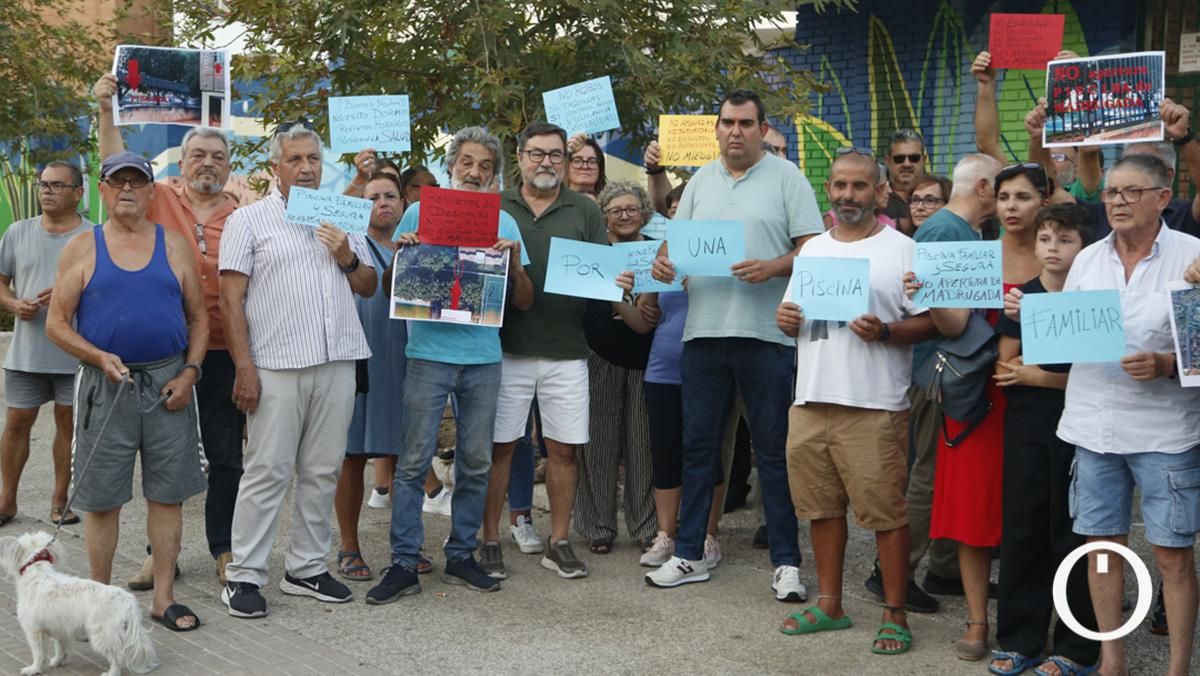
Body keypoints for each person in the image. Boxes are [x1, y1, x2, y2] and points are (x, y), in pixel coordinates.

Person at [1013, 153, 1200, 676]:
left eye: (1131, 192)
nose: (1117, 201)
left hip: (1166, 432)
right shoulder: (1088, 260)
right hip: (1093, 426)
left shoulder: (1194, 257)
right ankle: (1111, 662)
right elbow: (1062, 346)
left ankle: (1178, 669)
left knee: (1172, 556)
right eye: (1112, 192)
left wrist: (1166, 364)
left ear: (1163, 197)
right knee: (1100, 550)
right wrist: (1032, 319)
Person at [646, 89, 823, 601]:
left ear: (762, 128)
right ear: (717, 129)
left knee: (773, 452)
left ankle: (787, 563)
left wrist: (771, 267)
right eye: (727, 123)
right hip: (702, 334)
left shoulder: (787, 178)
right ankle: (690, 554)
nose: (736, 132)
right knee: (698, 449)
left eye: (746, 123)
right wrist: (662, 263)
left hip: (765, 336)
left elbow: (811, 244)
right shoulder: (701, 179)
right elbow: (673, 244)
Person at [776, 149, 937, 655]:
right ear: (829, 190)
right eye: (841, 186)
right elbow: (798, 318)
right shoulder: (811, 251)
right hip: (811, 399)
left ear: (881, 192)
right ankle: (830, 604)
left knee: (886, 513)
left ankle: (894, 611)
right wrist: (786, 321)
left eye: (860, 186)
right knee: (820, 508)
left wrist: (888, 330)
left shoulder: (904, 249)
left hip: (874, 404)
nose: (849, 195)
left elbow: (932, 319)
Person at [218, 120, 378, 618]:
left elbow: (369, 284)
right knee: (266, 470)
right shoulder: (248, 221)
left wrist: (347, 256)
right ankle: (243, 575)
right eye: (295, 159)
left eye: (312, 159)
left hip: (337, 361)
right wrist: (244, 367)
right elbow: (230, 300)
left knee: (323, 470)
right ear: (275, 168)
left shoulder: (343, 215)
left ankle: (306, 568)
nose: (306, 168)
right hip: (276, 366)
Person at [366, 126, 533, 603]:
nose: (475, 172)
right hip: (427, 356)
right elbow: (387, 291)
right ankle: (403, 563)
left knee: (476, 463)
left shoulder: (506, 222)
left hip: (483, 358)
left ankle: (462, 554)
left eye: (485, 166)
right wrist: (402, 259)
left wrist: (515, 264)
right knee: (413, 461)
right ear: (452, 165)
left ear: (494, 173)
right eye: (467, 163)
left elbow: (523, 300)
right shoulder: (419, 212)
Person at [45, 151, 208, 631]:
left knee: (168, 495)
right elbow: (56, 323)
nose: (129, 190)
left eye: (138, 182)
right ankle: (101, 602)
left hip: (168, 384)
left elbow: (198, 318)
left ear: (153, 191)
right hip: (104, 384)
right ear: (103, 190)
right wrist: (97, 357)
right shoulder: (82, 246)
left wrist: (191, 372)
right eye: (119, 183)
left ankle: (163, 598)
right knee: (101, 497)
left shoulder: (175, 245)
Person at [96, 73, 246, 589]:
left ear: (230, 167)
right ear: (183, 164)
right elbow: (113, 162)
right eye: (198, 154)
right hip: (165, 352)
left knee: (226, 455)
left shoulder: (244, 215)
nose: (207, 162)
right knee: (163, 456)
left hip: (225, 350)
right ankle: (159, 556)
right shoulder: (157, 197)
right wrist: (105, 107)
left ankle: (224, 549)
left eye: (217, 156)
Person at [916, 162, 1045, 660]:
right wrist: (928, 295)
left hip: (1042, 399)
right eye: (1005, 197)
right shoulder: (974, 256)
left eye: (1023, 197)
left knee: (1031, 516)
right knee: (972, 513)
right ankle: (976, 621)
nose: (1011, 207)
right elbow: (952, 327)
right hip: (977, 401)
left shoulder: (1064, 256)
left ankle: (1032, 618)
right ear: (992, 198)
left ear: (1043, 201)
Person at [480, 121, 618, 580]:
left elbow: (603, 275)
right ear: (518, 157)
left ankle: (558, 541)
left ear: (565, 159)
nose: (546, 163)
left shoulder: (584, 209)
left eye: (555, 154)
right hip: (505, 349)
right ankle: (489, 539)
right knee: (499, 449)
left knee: (563, 451)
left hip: (567, 350)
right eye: (536, 154)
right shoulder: (495, 206)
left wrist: (618, 278)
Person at [872, 153, 1002, 616]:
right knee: (926, 473)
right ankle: (893, 573)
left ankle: (944, 567)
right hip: (938, 371)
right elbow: (940, 315)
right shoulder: (946, 230)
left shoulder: (965, 231)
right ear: (983, 186)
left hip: (954, 367)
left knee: (941, 472)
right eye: (1000, 189)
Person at [989, 204, 1099, 676]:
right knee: (1022, 534)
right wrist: (1030, 374)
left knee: (1074, 538)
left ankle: (1078, 647)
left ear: (1085, 247)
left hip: (1083, 433)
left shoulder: (1096, 300)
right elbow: (1004, 367)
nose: (1053, 249)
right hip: (1027, 432)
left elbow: (1099, 378)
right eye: (1046, 239)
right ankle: (1020, 638)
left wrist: (1041, 376)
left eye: (1065, 240)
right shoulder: (1023, 298)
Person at [0, 161, 92, 528]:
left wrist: (75, 291)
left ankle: (60, 502)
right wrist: (12, 304)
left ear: (78, 193)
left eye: (57, 185)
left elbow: (111, 288)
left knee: (68, 425)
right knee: (17, 423)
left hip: (76, 353)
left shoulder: (93, 236)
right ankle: (6, 500)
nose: (47, 191)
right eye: (43, 184)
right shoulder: (17, 232)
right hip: (26, 352)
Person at [574, 181, 659, 554]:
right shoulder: (593, 254)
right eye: (616, 210)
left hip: (646, 358)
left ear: (644, 212)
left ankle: (645, 526)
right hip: (598, 353)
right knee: (597, 444)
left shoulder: (655, 253)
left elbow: (650, 313)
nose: (624, 216)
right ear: (604, 215)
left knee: (644, 446)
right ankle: (598, 526)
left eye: (631, 208)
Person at [332, 171, 409, 583]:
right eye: (373, 196)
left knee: (401, 456)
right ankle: (349, 546)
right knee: (353, 456)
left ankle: (404, 548)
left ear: (403, 202)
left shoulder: (414, 242)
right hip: (360, 358)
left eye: (391, 195)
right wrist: (357, 178)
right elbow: (315, 214)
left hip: (404, 357)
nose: (384, 202)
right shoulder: (348, 242)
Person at [883, 129, 927, 235]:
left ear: (924, 160)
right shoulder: (877, 198)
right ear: (888, 161)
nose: (906, 164)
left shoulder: (940, 194)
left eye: (914, 158)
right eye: (899, 158)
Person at [565, 134, 607, 199]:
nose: (585, 166)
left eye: (592, 161)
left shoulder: (611, 204)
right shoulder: (551, 202)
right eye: (577, 161)